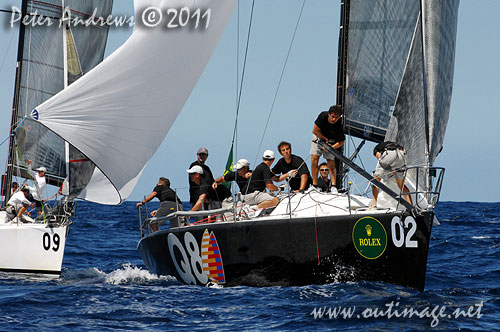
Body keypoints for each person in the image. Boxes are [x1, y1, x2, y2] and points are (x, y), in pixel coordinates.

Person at [310, 105, 345, 188]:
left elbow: (341, 142)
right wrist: (324, 140)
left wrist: (331, 148)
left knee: (330, 162)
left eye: (337, 118)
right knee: (314, 158)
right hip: (319, 136)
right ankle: (314, 185)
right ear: (329, 114)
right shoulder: (323, 116)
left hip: (331, 141)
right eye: (333, 117)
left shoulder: (340, 124)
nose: (334, 119)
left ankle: (333, 186)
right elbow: (315, 130)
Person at [371, 141, 412, 207]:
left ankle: (374, 204)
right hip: (401, 154)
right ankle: (410, 204)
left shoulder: (376, 150)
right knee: (401, 185)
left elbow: (381, 160)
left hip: (390, 153)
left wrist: (390, 170)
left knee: (376, 182)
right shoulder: (387, 144)